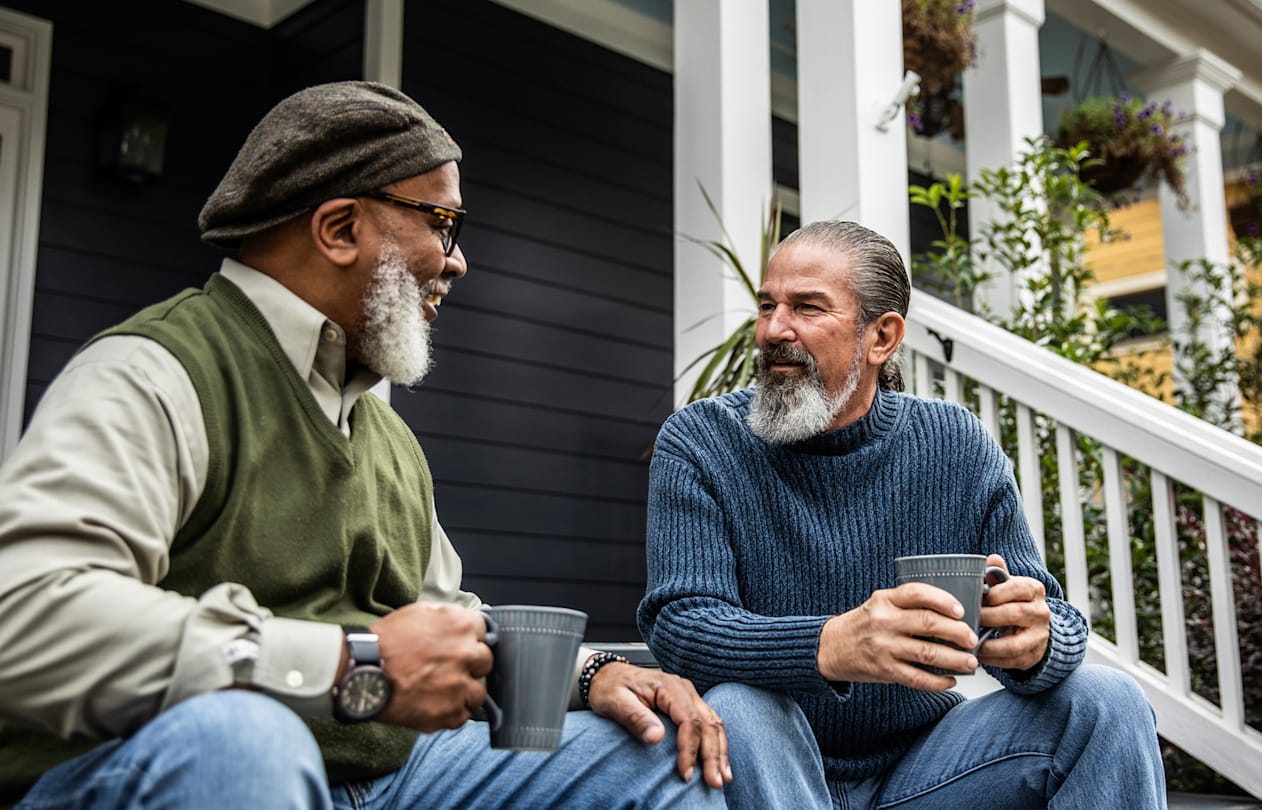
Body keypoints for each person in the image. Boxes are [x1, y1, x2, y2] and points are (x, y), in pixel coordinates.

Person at [0, 81, 727, 809]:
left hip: (387, 778)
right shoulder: (157, 372)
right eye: (443, 222)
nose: (458, 259)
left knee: (658, 755)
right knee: (247, 739)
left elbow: (449, 628)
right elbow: (24, 616)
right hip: (158, 770)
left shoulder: (388, 437)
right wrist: (353, 666)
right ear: (340, 228)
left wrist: (590, 673)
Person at [639, 220, 1166, 808]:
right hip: (769, 759)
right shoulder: (702, 439)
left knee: (1108, 701)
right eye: (768, 305)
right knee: (740, 704)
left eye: (807, 308)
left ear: (882, 337)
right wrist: (832, 643)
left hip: (929, 767)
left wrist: (1039, 642)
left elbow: (1046, 608)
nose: (773, 330)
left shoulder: (954, 442)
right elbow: (682, 623)